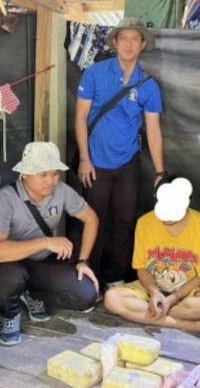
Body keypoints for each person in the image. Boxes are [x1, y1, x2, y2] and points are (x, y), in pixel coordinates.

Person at [75, 17, 166, 287]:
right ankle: (89, 281)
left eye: (134, 39)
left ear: (142, 45)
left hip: (128, 162)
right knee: (94, 219)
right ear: (115, 42)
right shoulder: (95, 73)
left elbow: (153, 130)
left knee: (125, 221)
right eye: (123, 38)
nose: (128, 44)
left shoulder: (147, 84)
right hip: (95, 162)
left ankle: (115, 278)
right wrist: (84, 159)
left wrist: (160, 172)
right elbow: (80, 117)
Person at [0, 142, 99, 346]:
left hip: (42, 262)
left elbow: (91, 219)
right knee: (9, 279)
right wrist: (46, 242)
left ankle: (32, 294)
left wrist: (83, 261)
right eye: (43, 174)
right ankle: (10, 314)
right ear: (25, 174)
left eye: (55, 173)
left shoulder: (62, 191)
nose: (51, 181)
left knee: (87, 295)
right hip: (10, 263)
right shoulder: (3, 199)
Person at [104, 177, 200, 334]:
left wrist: (173, 299)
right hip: (152, 289)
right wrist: (153, 292)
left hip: (188, 294)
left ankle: (155, 314)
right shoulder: (145, 223)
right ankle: (180, 324)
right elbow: (141, 267)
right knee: (111, 298)